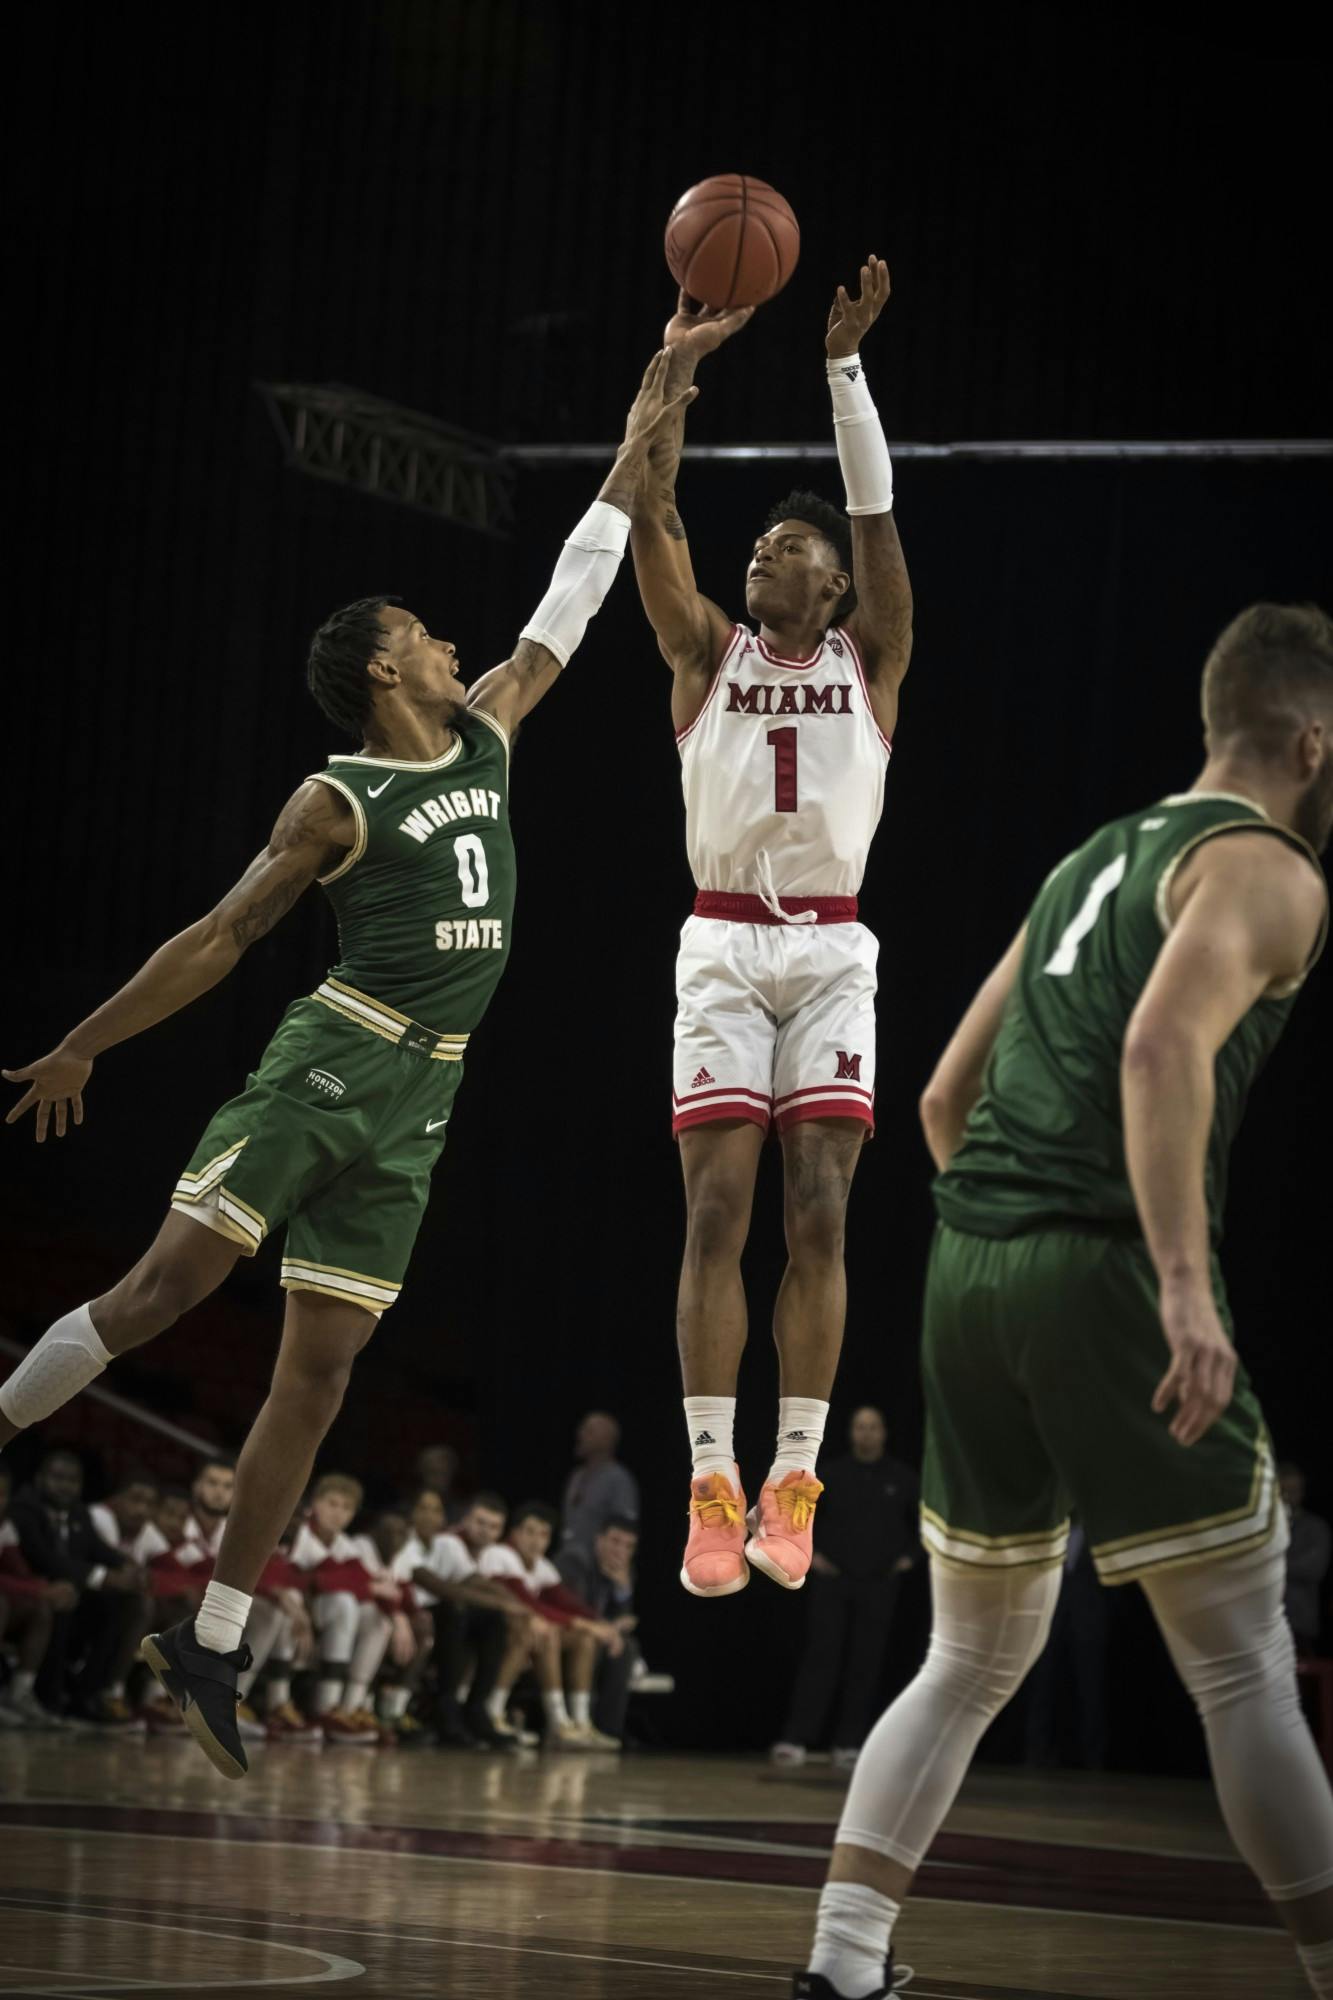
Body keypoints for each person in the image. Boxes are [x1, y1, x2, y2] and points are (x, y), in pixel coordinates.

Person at [0, 351, 693, 1780]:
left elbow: (584, 567)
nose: (454, 645)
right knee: (159, 1294)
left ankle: (211, 1642)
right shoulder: (339, 797)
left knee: (318, 1380)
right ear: (384, 667)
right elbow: (220, 937)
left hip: (424, 1096)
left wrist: (659, 393)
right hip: (336, 1059)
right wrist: (83, 1040)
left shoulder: (490, 732)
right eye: (429, 635)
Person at [795, 603, 1333, 2000]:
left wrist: (1008, 1243)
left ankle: (841, 1968)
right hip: (1101, 1260)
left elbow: (940, 1099)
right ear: (1312, 743)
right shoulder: (1267, 870)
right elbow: (1160, 1048)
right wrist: (1178, 1286)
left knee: (968, 1654)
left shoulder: (1091, 858)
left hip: (965, 1264)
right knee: (1242, 1668)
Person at [629, 261, 914, 1597]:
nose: (765, 555)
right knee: (712, 1220)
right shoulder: (705, 655)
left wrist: (841, 368)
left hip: (833, 951)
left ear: (837, 592)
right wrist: (672, 375)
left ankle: (793, 1476)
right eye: (759, 548)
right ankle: (709, 1485)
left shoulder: (873, 656)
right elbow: (654, 508)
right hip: (723, 945)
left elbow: (873, 514)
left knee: (818, 1215)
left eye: (790, 553)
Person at [772, 1407, 918, 1769]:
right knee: (821, 1655)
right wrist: (813, 1555)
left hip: (880, 1584)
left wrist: (908, 1559)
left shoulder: (902, 1477)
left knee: (866, 1662)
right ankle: (797, 1738)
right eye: (860, 1427)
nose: (866, 1434)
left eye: (873, 1427)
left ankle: (850, 1742)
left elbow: (921, 1522)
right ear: (851, 1432)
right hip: (833, 1580)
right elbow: (801, 1514)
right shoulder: (831, 1474)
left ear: (884, 1433)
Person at [9, 1448, 147, 1724]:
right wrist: (102, 1576)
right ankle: (47, 1697)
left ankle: (91, 1693)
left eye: (72, 1480)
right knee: (64, 1599)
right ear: (39, 1479)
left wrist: (127, 1565)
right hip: (32, 1589)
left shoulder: (77, 1512)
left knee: (125, 1603)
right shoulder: (24, 1509)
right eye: (57, 1478)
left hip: (70, 1589)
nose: (65, 1486)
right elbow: (43, 1557)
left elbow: (97, 1548)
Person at [480, 1501, 621, 1749]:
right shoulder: (500, 1555)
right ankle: (538, 1717)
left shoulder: (542, 1566)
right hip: (493, 1631)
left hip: (527, 1633)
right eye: (530, 1532)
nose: (537, 1541)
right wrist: (584, 1624)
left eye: (544, 1534)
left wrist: (601, 1625)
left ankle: (580, 1721)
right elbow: (525, 1602)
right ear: (515, 1533)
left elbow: (566, 1602)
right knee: (551, 1633)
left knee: (583, 1640)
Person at [397, 1489, 529, 1748]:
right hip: (411, 1611)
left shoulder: (447, 1544)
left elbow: (474, 1580)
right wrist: (504, 1603)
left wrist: (516, 1605)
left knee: (493, 1620)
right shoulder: (405, 1542)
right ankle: (446, 1708)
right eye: (423, 1508)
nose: (430, 1515)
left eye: (436, 1510)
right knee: (455, 1609)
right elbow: (440, 1587)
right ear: (411, 1513)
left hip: (443, 1615)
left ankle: (477, 1708)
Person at [289, 1473, 404, 1744]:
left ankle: (351, 1707)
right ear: (315, 1503)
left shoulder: (346, 1545)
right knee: (345, 1601)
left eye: (346, 1507)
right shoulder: (299, 1532)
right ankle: (326, 1707)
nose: (338, 1513)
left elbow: (372, 1587)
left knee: (378, 1617)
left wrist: (398, 1616)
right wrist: (367, 1588)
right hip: (293, 1610)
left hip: (323, 1613)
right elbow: (312, 1579)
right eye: (332, 1503)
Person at [0, 1460, 73, 1729]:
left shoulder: (5, 1526)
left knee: (40, 1609)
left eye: (2, 1493)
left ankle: (20, 1692)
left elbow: (17, 1571)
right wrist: (41, 1589)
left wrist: (48, 1590)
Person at [557, 1515, 641, 1742]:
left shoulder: (623, 1571)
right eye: (615, 1541)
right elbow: (571, 1606)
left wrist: (623, 1588)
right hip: (566, 1631)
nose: (620, 1551)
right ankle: (580, 1722)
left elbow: (624, 1619)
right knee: (593, 1643)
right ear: (599, 1539)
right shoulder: (575, 1560)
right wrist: (609, 1627)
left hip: (598, 1635)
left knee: (627, 1648)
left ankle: (608, 1729)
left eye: (628, 1546)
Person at [560, 1412, 639, 1556]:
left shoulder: (618, 1479)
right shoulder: (576, 1476)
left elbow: (624, 1530)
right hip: (569, 1561)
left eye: (589, 1431)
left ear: (606, 1440)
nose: (581, 1434)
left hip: (597, 1571)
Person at [1281, 1463, 1332, 1654]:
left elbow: (1313, 1569)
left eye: (1293, 1491)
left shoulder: (1316, 1528)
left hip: (1298, 1625)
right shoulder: (1262, 1531)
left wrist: (1269, 1564)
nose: (1287, 1497)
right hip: (1261, 1624)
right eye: (1283, 1491)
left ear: (1302, 1493)